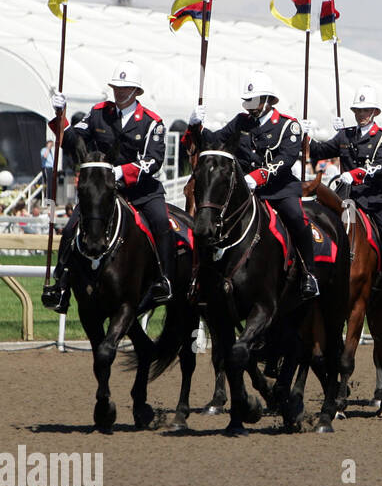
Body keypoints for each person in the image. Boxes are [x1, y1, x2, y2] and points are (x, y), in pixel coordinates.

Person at [42, 59, 173, 313]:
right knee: (70, 229)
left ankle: (163, 280)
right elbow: (74, 142)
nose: (119, 91)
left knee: (160, 222)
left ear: (136, 91)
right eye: (116, 86)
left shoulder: (151, 122)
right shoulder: (98, 112)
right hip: (101, 192)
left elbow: (153, 160)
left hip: (140, 190)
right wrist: (61, 118)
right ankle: (61, 285)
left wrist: (121, 172)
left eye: (125, 88)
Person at [187, 71, 319, 298]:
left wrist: (257, 177)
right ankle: (202, 277)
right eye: (248, 100)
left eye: (255, 100)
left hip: (279, 190)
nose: (250, 106)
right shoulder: (241, 121)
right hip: (245, 193)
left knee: (296, 218)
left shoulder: (289, 126)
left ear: (268, 100)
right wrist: (196, 126)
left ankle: (309, 273)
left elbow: (285, 160)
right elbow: (216, 141)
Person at [309, 85, 382, 312]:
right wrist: (306, 137)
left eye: (365, 111)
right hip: (349, 199)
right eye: (358, 110)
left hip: (375, 199)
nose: (361, 114)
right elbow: (320, 151)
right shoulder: (345, 135)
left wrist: (356, 174)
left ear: (374, 112)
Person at [40, 140, 56, 206]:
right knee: (48, 184)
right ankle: (47, 201)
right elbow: (45, 156)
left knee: (52, 185)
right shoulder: (44, 150)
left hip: (51, 168)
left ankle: (51, 200)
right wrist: (48, 148)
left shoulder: (51, 151)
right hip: (46, 168)